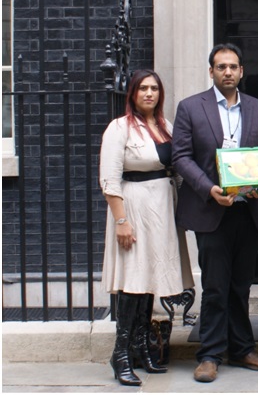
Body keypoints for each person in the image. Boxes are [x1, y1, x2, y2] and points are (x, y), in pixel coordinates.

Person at [172, 43, 258, 383]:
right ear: (211, 72)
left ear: (241, 71)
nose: (227, 72)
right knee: (216, 286)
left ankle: (242, 349)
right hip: (210, 210)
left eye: (233, 66)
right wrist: (208, 189)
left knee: (241, 286)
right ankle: (210, 354)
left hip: (247, 211)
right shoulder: (190, 107)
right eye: (221, 67)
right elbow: (181, 157)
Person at [100, 69, 194, 387]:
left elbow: (179, 166)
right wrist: (121, 221)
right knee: (132, 281)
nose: (149, 94)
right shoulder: (119, 128)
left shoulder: (165, 126)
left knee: (149, 280)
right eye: (143, 89)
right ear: (132, 94)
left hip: (162, 211)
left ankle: (141, 346)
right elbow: (110, 180)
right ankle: (121, 354)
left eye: (154, 88)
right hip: (134, 209)